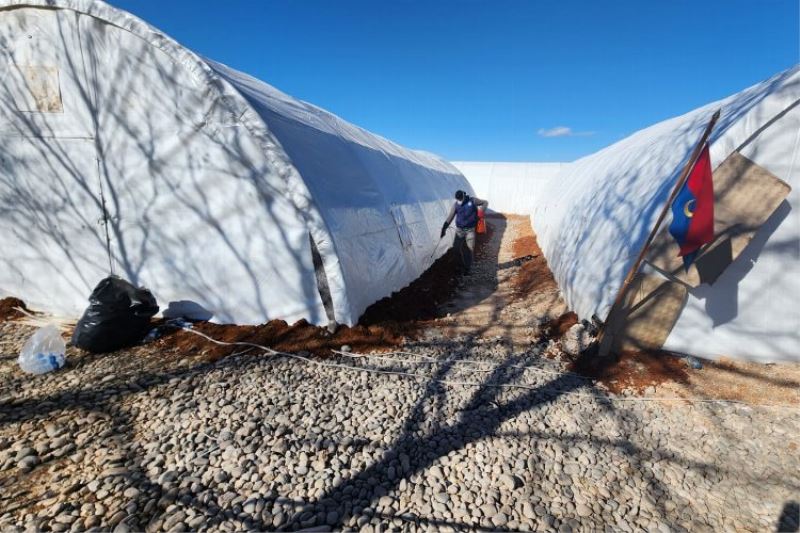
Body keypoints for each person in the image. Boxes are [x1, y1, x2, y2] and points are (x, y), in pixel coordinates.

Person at [441, 190, 488, 272]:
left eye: (460, 199)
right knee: (456, 248)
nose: (459, 201)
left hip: (470, 229)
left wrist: (480, 213)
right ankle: (460, 265)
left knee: (469, 249)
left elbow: (485, 203)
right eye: (458, 200)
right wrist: (444, 228)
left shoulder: (473, 200)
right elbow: (450, 217)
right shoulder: (456, 205)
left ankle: (467, 268)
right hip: (460, 230)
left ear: (463, 196)